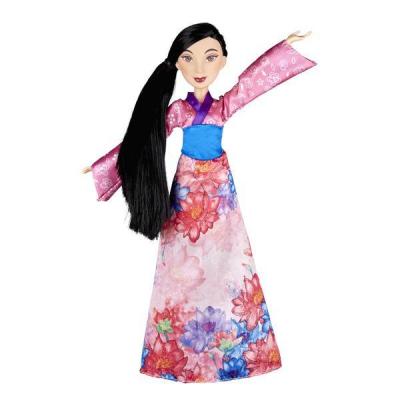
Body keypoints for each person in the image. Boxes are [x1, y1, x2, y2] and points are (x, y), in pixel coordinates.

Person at [82, 22, 317, 383]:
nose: (199, 68)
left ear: (223, 60)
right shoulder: (179, 111)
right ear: (177, 64)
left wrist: (284, 47)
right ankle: (174, 355)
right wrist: (104, 168)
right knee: (179, 266)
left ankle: (238, 348)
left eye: (210, 57)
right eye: (188, 59)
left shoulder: (222, 106)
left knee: (232, 261)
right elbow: (142, 140)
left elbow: (253, 84)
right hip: (188, 188)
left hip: (220, 190)